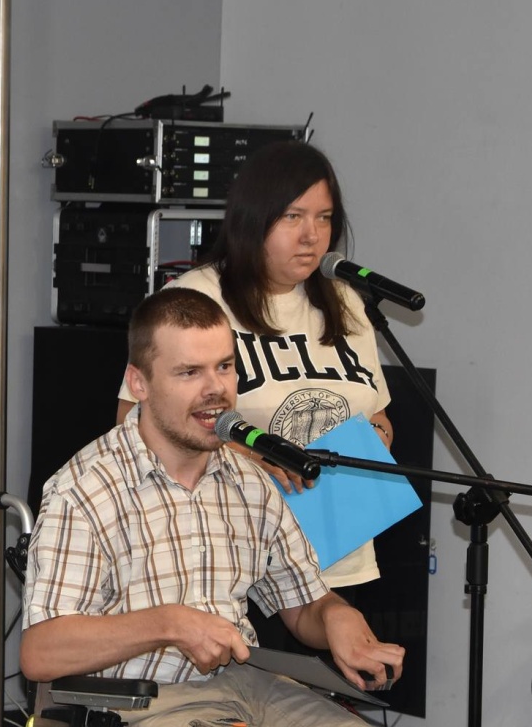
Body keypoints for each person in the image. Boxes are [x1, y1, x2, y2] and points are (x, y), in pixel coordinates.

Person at [25, 288, 441, 727]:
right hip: (137, 703)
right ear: (139, 382)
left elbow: (303, 605)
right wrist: (167, 623)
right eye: (189, 372)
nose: (215, 389)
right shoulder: (86, 489)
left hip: (244, 686)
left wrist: (337, 619)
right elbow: (41, 653)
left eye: (224, 367)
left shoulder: (247, 482)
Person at [116, 140, 392, 591]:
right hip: (230, 561)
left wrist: (374, 440)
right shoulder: (195, 299)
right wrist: (250, 458)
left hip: (339, 554)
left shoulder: (344, 301)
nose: (311, 235)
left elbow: (377, 413)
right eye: (293, 216)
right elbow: (133, 425)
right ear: (253, 218)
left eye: (324, 218)